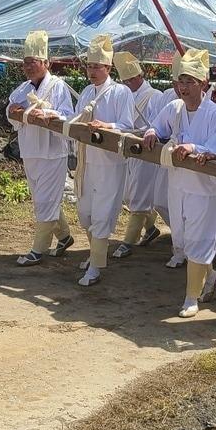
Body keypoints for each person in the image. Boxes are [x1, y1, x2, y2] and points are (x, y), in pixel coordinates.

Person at [141, 48, 216, 315]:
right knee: (183, 238)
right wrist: (151, 131)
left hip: (202, 190)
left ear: (203, 84)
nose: (184, 87)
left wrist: (194, 147)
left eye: (190, 81)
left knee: (200, 240)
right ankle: (211, 276)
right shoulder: (175, 108)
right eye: (181, 81)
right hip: (177, 184)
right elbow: (158, 126)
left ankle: (191, 297)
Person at [70, 35, 135, 287]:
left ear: (108, 68)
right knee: (84, 213)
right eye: (89, 66)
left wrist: (106, 125)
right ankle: (95, 254)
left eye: (97, 66)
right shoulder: (86, 92)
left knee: (101, 215)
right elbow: (76, 120)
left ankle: (96, 267)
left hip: (109, 164)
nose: (92, 71)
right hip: (86, 161)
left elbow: (127, 126)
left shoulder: (121, 92)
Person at [10, 30, 77, 266]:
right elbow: (11, 110)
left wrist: (46, 113)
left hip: (52, 152)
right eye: (26, 63)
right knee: (41, 199)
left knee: (46, 201)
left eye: (33, 62)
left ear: (46, 63)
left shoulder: (58, 87)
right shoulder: (22, 89)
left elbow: (69, 116)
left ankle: (39, 249)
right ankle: (65, 236)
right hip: (30, 151)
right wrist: (27, 114)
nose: (28, 67)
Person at [110, 52, 171, 260]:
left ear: (138, 77)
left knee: (138, 195)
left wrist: (144, 131)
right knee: (128, 193)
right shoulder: (123, 94)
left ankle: (128, 241)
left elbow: (157, 124)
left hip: (146, 150)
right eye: (124, 81)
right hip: (127, 149)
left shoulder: (154, 96)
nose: (127, 84)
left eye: (129, 80)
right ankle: (151, 226)